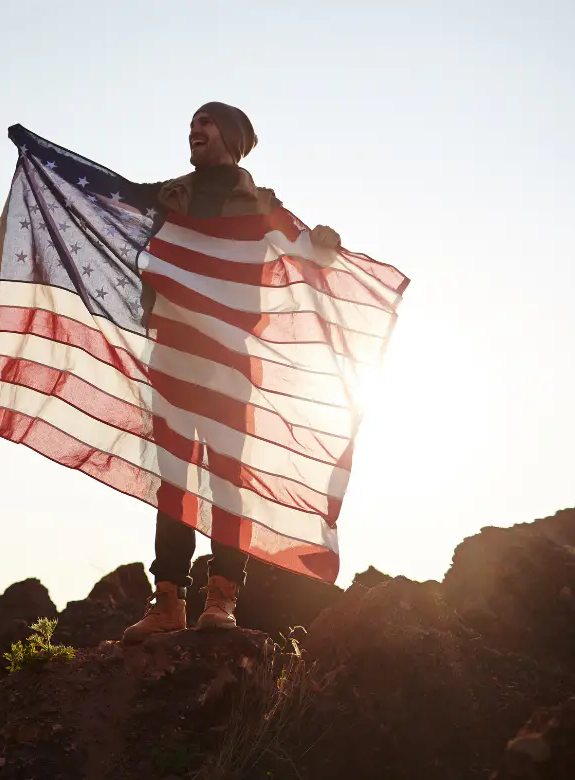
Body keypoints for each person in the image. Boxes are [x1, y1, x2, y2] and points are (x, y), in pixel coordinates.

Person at [122, 102, 341, 645]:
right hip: (172, 355)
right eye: (192, 122)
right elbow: (108, 201)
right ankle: (167, 599)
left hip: (227, 362)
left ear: (233, 138)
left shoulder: (262, 207)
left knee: (227, 480)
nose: (194, 129)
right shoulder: (168, 197)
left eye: (207, 122)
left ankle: (221, 597)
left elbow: (312, 254)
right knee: (173, 480)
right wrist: (46, 160)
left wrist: (328, 245)